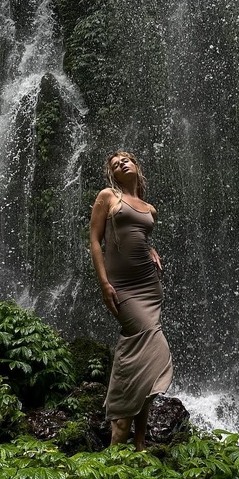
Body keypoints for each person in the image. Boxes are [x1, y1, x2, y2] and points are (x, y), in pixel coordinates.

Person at [89, 151, 173, 450]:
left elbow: (138, 234)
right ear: (112, 174)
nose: (121, 163)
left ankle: (139, 442)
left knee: (148, 363)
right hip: (122, 288)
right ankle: (119, 420)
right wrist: (104, 283)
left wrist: (150, 250)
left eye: (126, 160)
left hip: (149, 288)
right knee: (152, 346)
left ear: (137, 166)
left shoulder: (150, 209)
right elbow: (95, 240)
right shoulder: (108, 197)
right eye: (115, 164)